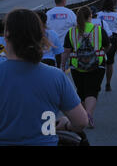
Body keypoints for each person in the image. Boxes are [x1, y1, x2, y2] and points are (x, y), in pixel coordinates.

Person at [0, 9, 88, 145]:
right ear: (41, 37)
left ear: (6, 36)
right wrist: (66, 125)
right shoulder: (56, 76)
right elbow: (81, 121)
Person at [61, 6, 110, 129]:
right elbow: (107, 45)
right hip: (97, 65)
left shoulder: (71, 32)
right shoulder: (98, 30)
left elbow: (66, 51)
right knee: (92, 91)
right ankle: (88, 116)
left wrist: (62, 65)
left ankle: (84, 116)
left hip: (77, 66)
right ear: (90, 16)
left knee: (81, 91)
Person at [97, 0, 117, 91]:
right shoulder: (116, 15)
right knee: (110, 63)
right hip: (112, 39)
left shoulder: (99, 14)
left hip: (100, 38)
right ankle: (108, 83)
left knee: (99, 62)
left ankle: (98, 83)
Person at [46, 0, 77, 68]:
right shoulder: (70, 13)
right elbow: (77, 27)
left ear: (55, 1)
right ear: (64, 1)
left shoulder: (48, 14)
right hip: (66, 49)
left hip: (52, 50)